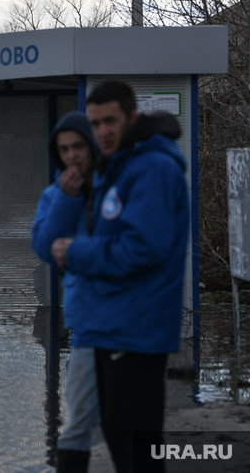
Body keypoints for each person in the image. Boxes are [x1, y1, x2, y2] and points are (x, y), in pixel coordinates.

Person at [51, 81, 188, 473]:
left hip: (137, 330)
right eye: (95, 124)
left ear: (132, 118)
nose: (102, 132)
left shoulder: (152, 168)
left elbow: (144, 248)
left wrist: (75, 252)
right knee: (120, 437)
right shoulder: (120, 165)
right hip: (113, 327)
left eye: (110, 121)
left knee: (136, 446)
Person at [31, 111, 99, 473]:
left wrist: (74, 252)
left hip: (127, 325)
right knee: (77, 426)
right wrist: (67, 199)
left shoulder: (112, 188)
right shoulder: (55, 194)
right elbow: (43, 247)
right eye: (64, 149)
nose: (72, 155)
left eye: (78, 146)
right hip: (84, 325)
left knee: (128, 427)